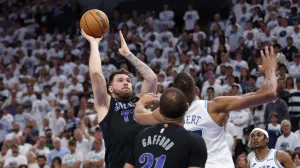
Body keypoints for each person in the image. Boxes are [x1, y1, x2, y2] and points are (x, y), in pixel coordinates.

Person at [134, 46, 279, 168]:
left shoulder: (165, 113)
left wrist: (141, 102)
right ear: (197, 91)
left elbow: (139, 117)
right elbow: (269, 93)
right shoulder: (214, 106)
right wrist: (270, 71)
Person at [81, 29, 157, 168]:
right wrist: (94, 43)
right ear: (110, 88)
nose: (126, 82)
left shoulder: (140, 102)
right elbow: (96, 74)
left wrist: (128, 54)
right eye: (120, 80)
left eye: (128, 80)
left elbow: (151, 79)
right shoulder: (106, 104)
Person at [124, 88, 207, 168]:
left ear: (160, 111)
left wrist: (140, 103)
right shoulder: (195, 141)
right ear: (187, 106)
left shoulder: (141, 136)